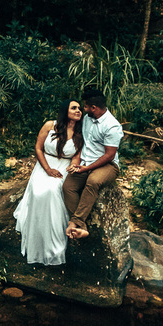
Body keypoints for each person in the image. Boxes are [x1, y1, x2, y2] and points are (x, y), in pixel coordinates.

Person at [13, 101, 84, 265]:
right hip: (45, 164)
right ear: (65, 110)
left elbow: (76, 156)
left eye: (80, 108)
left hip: (64, 167)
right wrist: (47, 170)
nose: (78, 110)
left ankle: (53, 242)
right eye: (74, 108)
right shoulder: (50, 125)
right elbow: (38, 148)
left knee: (53, 190)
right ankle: (36, 232)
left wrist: (73, 167)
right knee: (39, 192)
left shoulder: (81, 132)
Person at [62, 90, 123, 239]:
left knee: (93, 181)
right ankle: (82, 228)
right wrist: (76, 161)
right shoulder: (88, 119)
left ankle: (74, 222)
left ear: (94, 107)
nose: (83, 109)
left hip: (108, 165)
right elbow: (83, 143)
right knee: (68, 186)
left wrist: (87, 168)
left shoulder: (112, 126)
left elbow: (109, 155)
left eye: (86, 107)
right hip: (85, 162)